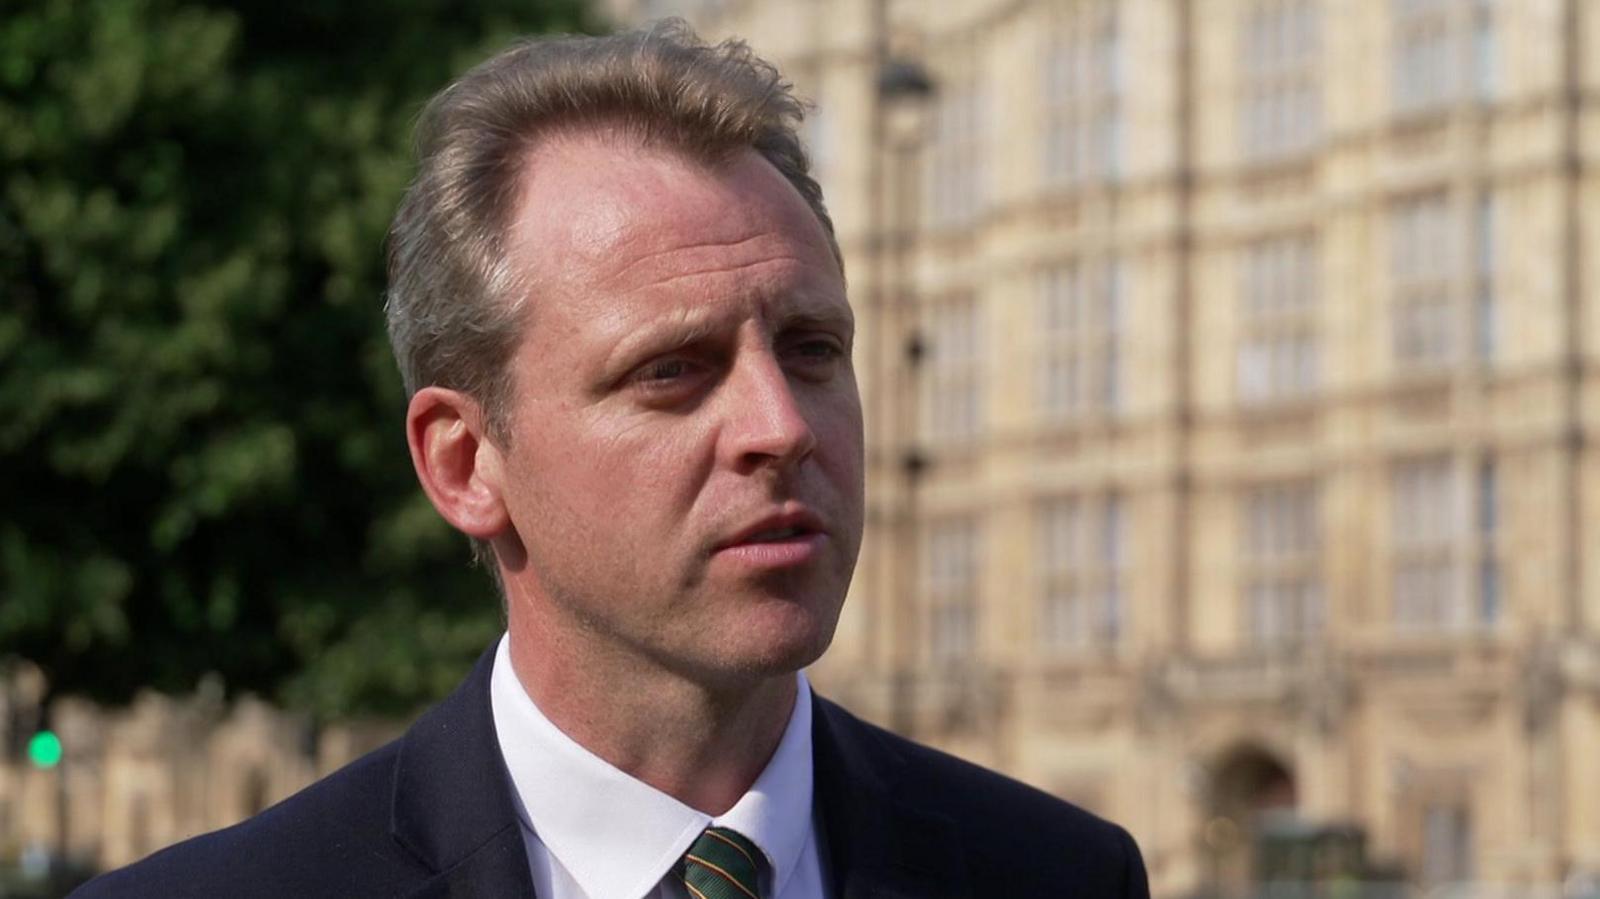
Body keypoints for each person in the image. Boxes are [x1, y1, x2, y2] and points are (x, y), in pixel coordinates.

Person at [73, 21, 1149, 899]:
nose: (780, 425)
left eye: (812, 349)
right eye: (672, 369)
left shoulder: (1060, 875)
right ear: (465, 462)